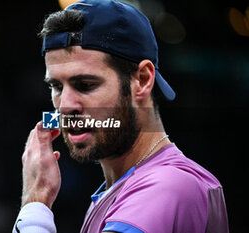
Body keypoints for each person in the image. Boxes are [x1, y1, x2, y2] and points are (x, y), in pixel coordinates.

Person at [13, 0, 229, 232]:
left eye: (85, 84)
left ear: (143, 80)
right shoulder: (123, 189)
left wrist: (35, 205)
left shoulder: (168, 187)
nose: (65, 106)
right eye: (56, 86)